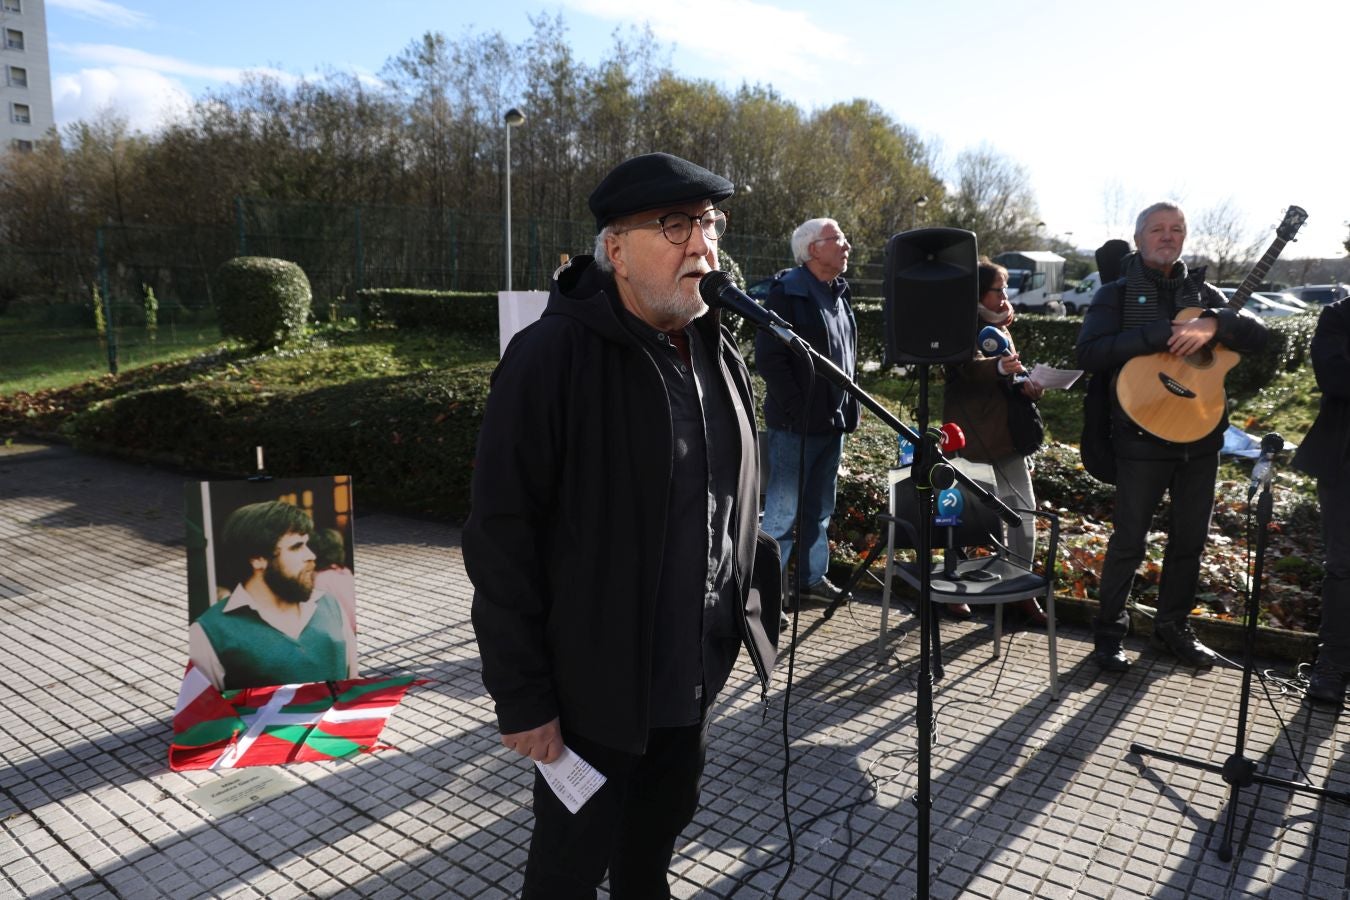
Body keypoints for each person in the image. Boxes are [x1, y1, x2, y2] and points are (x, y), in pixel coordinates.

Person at [464, 152, 780, 900]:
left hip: (692, 678)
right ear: (615, 249)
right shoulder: (549, 359)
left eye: (708, 223)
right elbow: (501, 536)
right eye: (675, 225)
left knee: (652, 854)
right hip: (592, 698)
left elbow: (731, 501)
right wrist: (523, 697)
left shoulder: (717, 352)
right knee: (569, 870)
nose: (701, 244)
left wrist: (746, 607)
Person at [1076, 201, 1268, 672]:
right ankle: (1109, 633)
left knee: (1189, 541)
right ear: (1139, 238)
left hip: (1201, 439)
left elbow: (1262, 337)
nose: (1167, 236)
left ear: (1184, 237)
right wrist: (1161, 333)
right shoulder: (1116, 294)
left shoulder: (1205, 292)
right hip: (1139, 437)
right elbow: (1089, 353)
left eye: (1176, 229)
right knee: (1129, 541)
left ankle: (1172, 628)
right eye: (1158, 229)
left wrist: (1214, 323)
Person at [756, 217, 859, 606]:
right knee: (781, 517)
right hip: (795, 427)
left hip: (833, 425)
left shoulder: (839, 293)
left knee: (819, 511)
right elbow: (770, 359)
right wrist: (798, 410)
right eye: (837, 238)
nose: (846, 245)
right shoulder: (788, 292)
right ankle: (767, 595)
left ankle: (812, 579)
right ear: (812, 249)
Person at [941, 258, 1047, 625]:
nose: (1005, 296)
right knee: (963, 517)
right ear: (978, 293)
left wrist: (1030, 385)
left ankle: (1019, 587)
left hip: (1008, 438)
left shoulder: (1000, 325)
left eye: (1005, 289)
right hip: (969, 437)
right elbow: (961, 370)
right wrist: (998, 368)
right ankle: (953, 587)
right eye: (998, 289)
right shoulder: (958, 323)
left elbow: (1012, 372)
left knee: (1024, 516)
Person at [189, 501, 359, 691]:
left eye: (307, 544)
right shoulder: (208, 632)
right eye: (296, 547)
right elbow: (207, 714)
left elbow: (353, 683)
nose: (311, 555)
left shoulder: (330, 604)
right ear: (257, 559)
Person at [1291, 296, 1350, 705]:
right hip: (1344, 460)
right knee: (1344, 566)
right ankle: (1333, 663)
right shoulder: (1339, 316)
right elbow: (1335, 378)